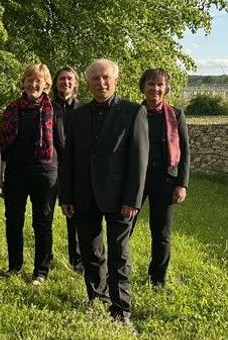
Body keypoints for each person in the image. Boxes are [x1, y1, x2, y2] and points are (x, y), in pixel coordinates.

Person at [59, 59, 148, 324]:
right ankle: (97, 298)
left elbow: (139, 160)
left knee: (119, 255)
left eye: (106, 77)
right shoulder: (77, 116)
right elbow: (69, 159)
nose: (101, 83)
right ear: (88, 83)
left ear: (116, 80)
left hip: (120, 198)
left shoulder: (133, 112)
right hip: (84, 196)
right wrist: (66, 196)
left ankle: (121, 309)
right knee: (91, 253)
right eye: (95, 78)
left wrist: (133, 199)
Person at [0, 64, 65, 284]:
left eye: (39, 80)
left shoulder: (54, 109)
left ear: (46, 84)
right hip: (16, 172)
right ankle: (14, 266)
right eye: (30, 79)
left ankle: (41, 271)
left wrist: (65, 178)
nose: (33, 84)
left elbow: (62, 145)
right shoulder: (11, 109)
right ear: (24, 82)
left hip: (45, 172)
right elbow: (2, 146)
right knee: (13, 221)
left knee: (42, 223)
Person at [134, 68, 190, 287]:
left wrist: (182, 184)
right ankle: (118, 271)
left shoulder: (176, 115)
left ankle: (157, 279)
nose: (155, 88)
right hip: (136, 180)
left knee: (161, 233)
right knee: (124, 227)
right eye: (151, 84)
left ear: (166, 88)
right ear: (143, 87)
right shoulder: (133, 113)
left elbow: (185, 152)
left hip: (166, 180)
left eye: (160, 84)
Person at [52, 66, 83, 272]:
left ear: (76, 83)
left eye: (70, 79)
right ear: (55, 83)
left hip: (74, 168)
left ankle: (77, 260)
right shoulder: (47, 107)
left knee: (75, 215)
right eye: (62, 79)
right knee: (44, 216)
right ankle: (44, 259)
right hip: (50, 167)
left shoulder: (83, 109)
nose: (66, 82)